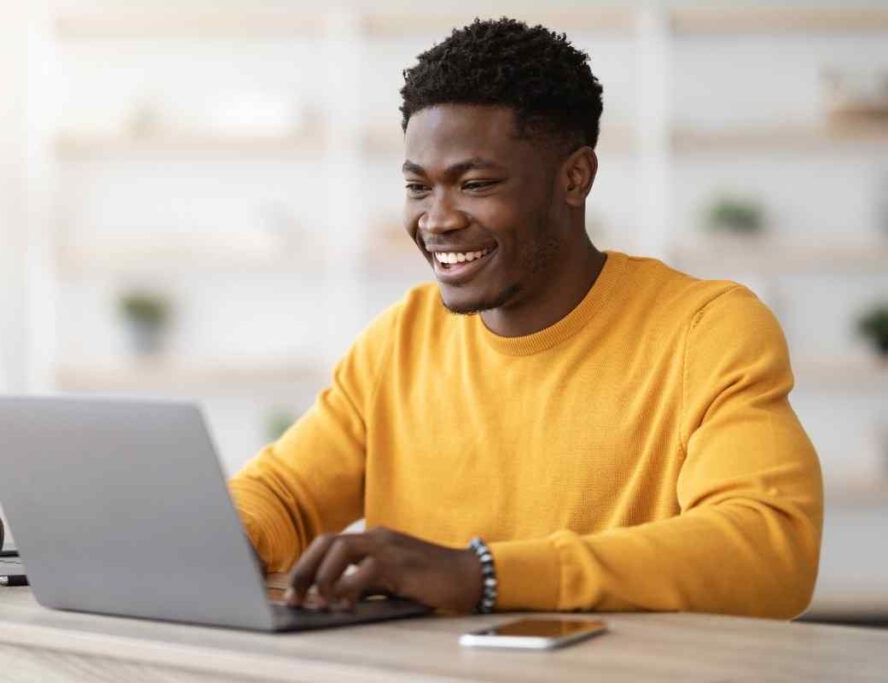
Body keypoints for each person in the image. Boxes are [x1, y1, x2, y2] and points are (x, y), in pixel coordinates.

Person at [229, 17, 822, 619]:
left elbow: (769, 552)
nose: (436, 219)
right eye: (418, 187)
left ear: (574, 177)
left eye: (476, 183)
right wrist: (227, 540)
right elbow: (281, 496)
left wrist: (481, 575)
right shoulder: (401, 340)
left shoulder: (706, 329)